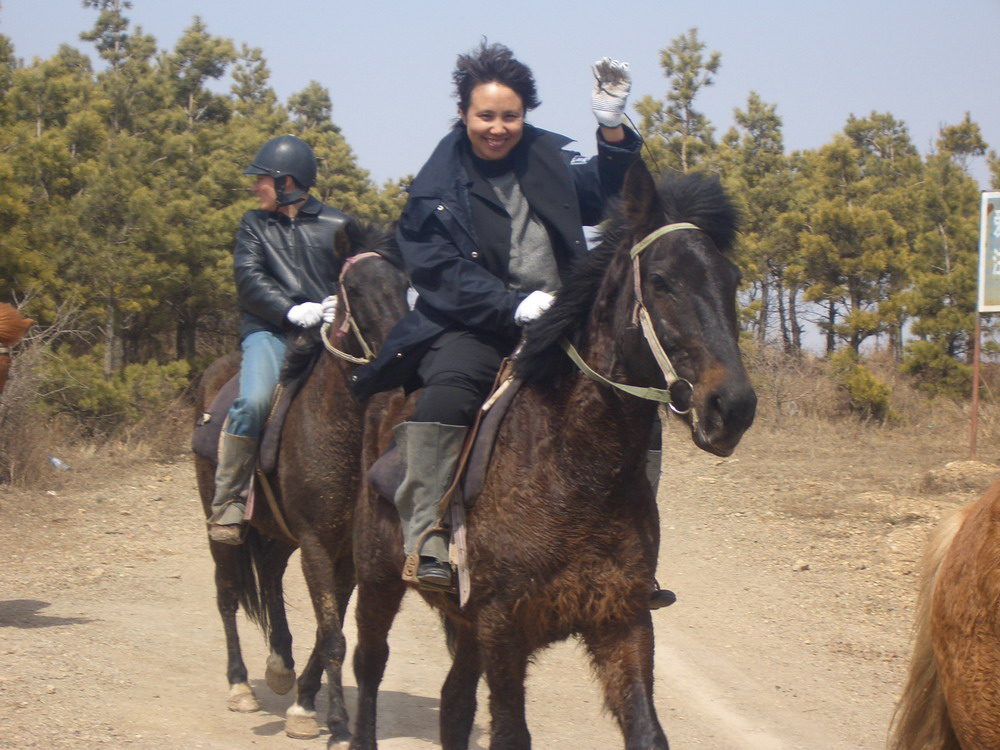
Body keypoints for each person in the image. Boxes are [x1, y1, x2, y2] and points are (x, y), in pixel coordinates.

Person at [350, 41, 672, 607]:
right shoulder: (435, 184)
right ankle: (427, 533)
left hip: (562, 319)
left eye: (510, 116)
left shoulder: (550, 156)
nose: (497, 128)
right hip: (473, 322)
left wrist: (614, 131)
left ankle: (633, 550)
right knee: (446, 395)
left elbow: (611, 197)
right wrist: (508, 303)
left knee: (633, 404)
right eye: (485, 116)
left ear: (524, 114)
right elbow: (433, 268)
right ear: (463, 114)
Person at [207, 134, 355, 545]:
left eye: (261, 180)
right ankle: (229, 500)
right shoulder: (253, 224)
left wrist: (338, 303)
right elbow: (249, 279)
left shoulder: (340, 225)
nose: (255, 187)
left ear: (286, 181)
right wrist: (290, 310)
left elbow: (360, 275)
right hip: (271, 332)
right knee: (253, 402)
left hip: (327, 335)